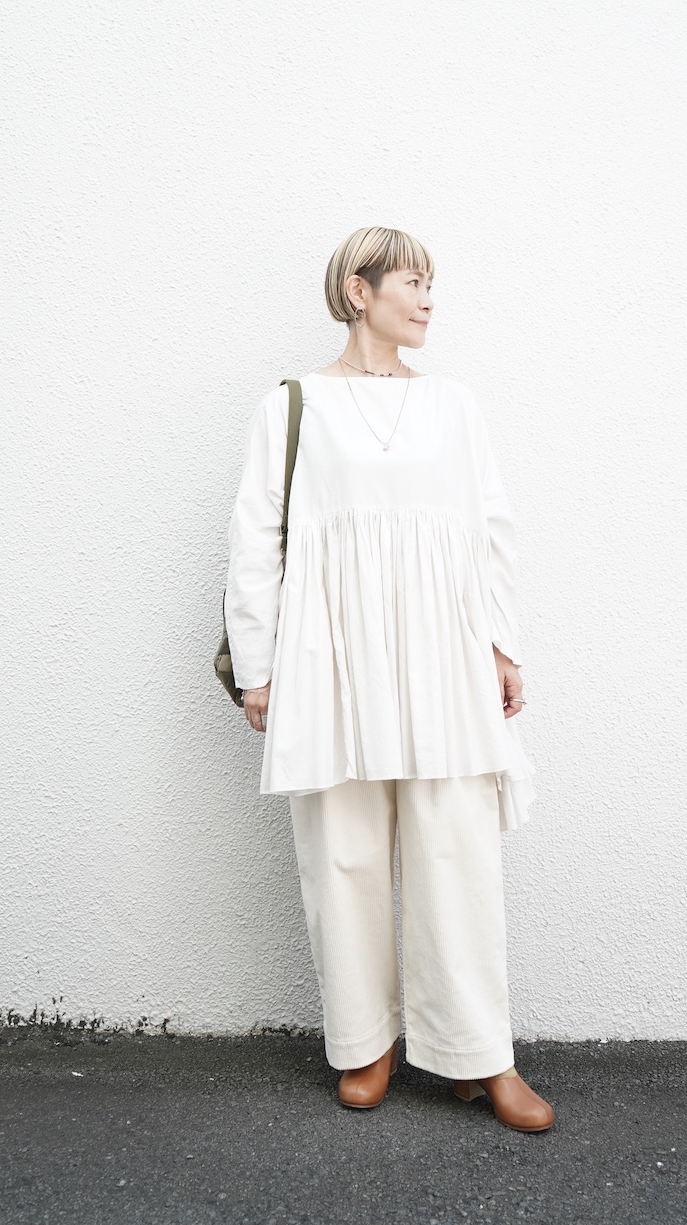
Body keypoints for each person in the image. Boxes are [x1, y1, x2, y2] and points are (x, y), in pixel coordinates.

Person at [224, 226, 553, 1133]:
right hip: (330, 653)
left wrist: (501, 645)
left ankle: (476, 1055)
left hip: (443, 648)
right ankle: (365, 1043)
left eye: (430, 284)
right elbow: (257, 539)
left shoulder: (453, 404)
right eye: (412, 282)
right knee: (344, 851)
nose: (428, 300)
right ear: (359, 291)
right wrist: (259, 668)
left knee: (458, 850)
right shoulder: (293, 406)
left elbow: (490, 529)